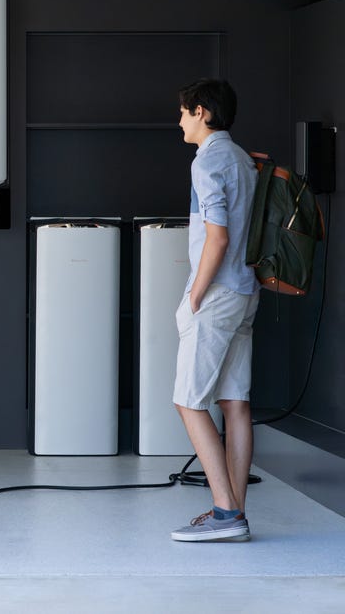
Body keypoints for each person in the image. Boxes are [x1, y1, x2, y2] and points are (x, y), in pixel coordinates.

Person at [170, 78, 260, 542]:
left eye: (184, 112)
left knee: (188, 400)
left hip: (218, 293)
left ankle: (226, 514)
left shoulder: (207, 160)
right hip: (246, 292)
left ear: (201, 111)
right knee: (235, 403)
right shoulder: (245, 159)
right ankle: (236, 512)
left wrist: (194, 296)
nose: (180, 120)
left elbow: (217, 237)